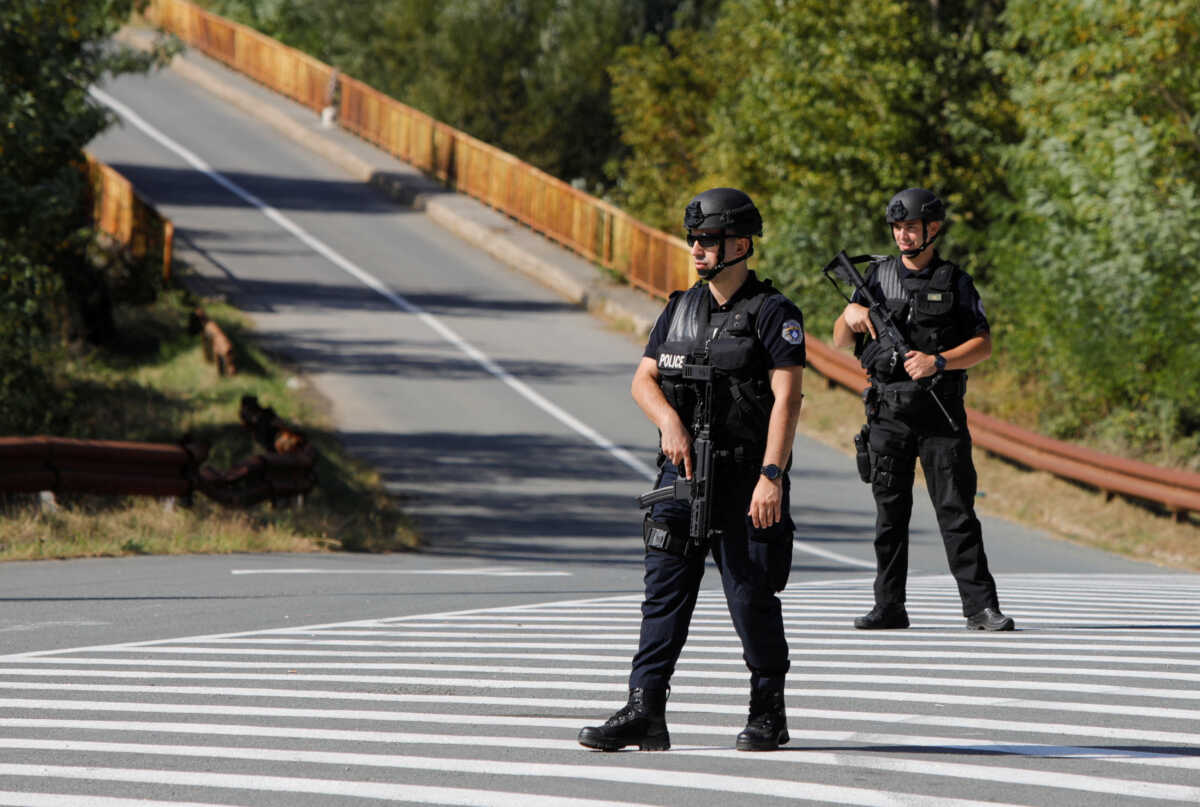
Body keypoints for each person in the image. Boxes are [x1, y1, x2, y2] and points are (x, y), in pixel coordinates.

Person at [578, 187, 806, 752]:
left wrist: (771, 476)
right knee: (662, 595)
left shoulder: (773, 314)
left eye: (708, 240)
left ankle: (767, 713)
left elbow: (788, 399)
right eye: (694, 239)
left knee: (750, 596)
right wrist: (670, 424)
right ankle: (644, 711)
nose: (697, 249)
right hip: (680, 479)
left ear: (741, 244)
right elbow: (642, 379)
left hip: (745, 481)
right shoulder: (679, 307)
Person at [832, 187, 1014, 632]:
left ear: (933, 229)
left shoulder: (956, 281)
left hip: (940, 414)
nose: (903, 235)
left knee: (956, 511)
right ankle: (889, 606)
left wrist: (940, 361)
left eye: (911, 227)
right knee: (889, 515)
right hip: (887, 413)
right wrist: (849, 315)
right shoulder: (875, 277)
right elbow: (840, 340)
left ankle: (980, 608)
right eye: (897, 227)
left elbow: (984, 345)